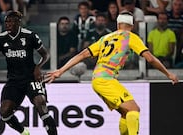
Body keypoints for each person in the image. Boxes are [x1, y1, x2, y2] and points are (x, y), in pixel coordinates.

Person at [45, 11, 179, 135]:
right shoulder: (130, 37)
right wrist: (168, 74)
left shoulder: (105, 38)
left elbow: (83, 54)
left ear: (118, 24)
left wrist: (61, 70)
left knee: (126, 113)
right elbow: (150, 58)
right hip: (106, 80)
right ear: (131, 25)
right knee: (134, 109)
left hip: (97, 79)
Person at [0, 11, 57, 135]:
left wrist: (38, 67)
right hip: (14, 81)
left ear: (18, 22)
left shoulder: (30, 36)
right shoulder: (0, 39)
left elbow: (45, 54)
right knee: (4, 112)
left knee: (40, 104)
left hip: (32, 78)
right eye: (6, 22)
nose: (8, 24)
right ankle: (23, 132)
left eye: (11, 21)